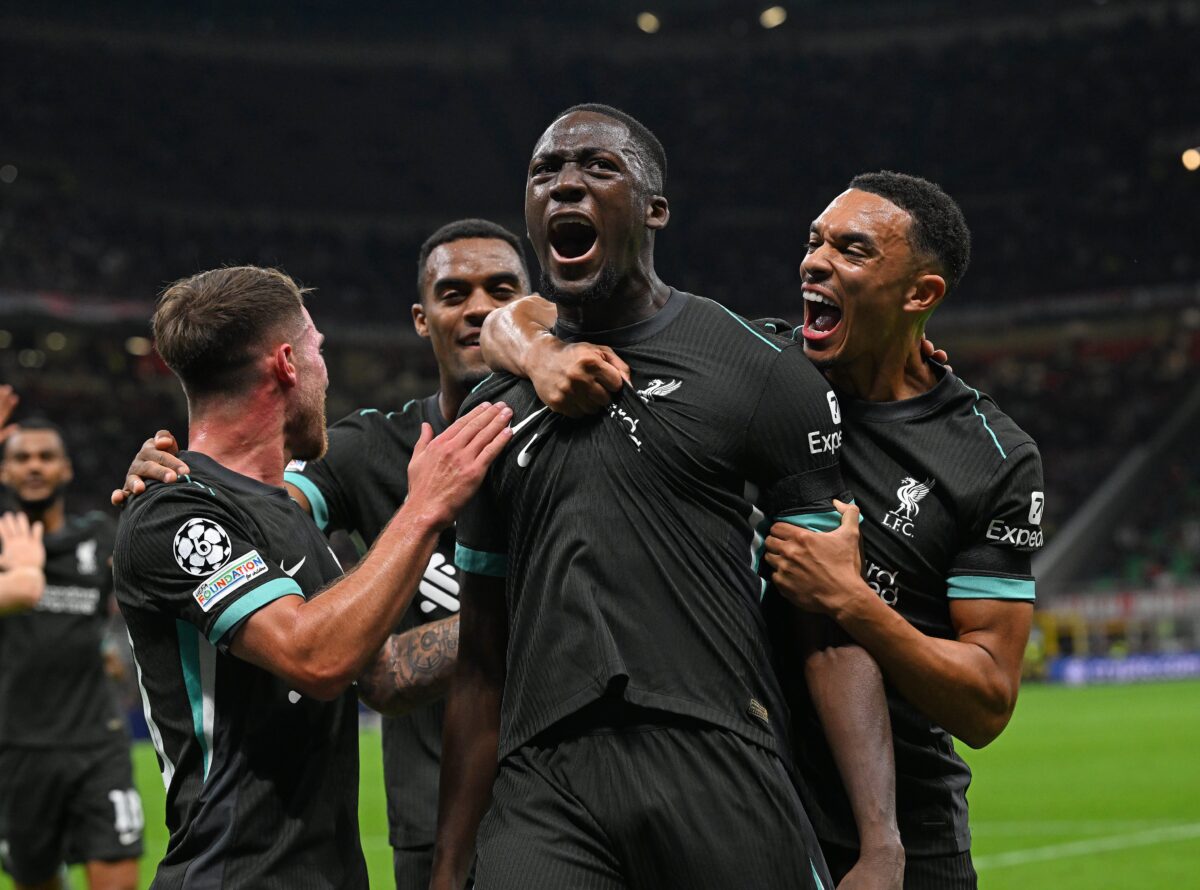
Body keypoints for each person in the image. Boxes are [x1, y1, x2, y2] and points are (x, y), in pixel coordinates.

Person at [485, 171, 1042, 890]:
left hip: (905, 830)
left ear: (920, 295)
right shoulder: (752, 370)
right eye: (814, 241)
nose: (815, 261)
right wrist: (542, 354)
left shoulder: (989, 456)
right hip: (728, 798)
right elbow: (520, 313)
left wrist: (853, 601)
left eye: (853, 249)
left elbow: (988, 698)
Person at [431, 104, 901, 890]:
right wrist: (449, 868)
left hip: (718, 751)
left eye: (597, 168)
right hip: (545, 781)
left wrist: (880, 842)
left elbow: (830, 625)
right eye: (545, 171)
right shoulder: (495, 408)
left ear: (655, 209)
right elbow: (482, 660)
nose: (566, 185)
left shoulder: (756, 368)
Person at [114, 219, 533, 890]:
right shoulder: (176, 509)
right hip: (237, 876)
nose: (325, 371)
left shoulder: (289, 517)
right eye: (317, 351)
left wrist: (538, 605)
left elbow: (383, 671)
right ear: (286, 363)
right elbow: (315, 657)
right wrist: (426, 505)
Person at [0, 419, 142, 890]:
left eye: (45, 457)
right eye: (21, 458)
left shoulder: (99, 536)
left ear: (66, 469)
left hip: (96, 743)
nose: (34, 467)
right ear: (4, 473)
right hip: (17, 749)